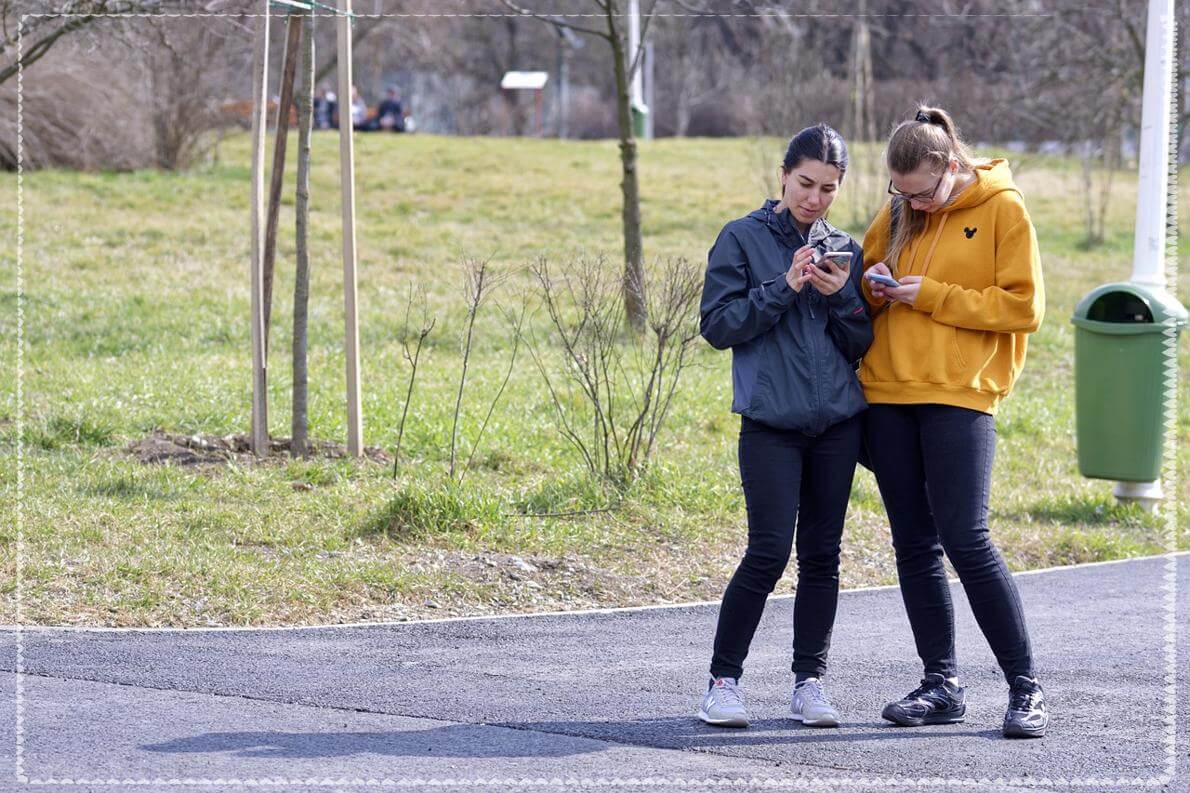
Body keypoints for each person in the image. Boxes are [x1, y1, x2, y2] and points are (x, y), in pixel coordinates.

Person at [858, 106, 1048, 739]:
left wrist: (931, 295)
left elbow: (1024, 307)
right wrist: (871, 285)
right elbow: (863, 282)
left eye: (919, 191)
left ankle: (1025, 688)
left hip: (962, 394)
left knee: (967, 539)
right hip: (888, 394)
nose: (910, 202)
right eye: (899, 191)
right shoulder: (898, 212)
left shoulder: (1002, 209)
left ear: (950, 166)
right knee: (913, 544)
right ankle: (941, 684)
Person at [697, 124, 872, 729]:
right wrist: (785, 285)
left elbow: (861, 339)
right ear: (782, 176)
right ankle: (723, 683)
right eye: (805, 184)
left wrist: (841, 295)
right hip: (771, 424)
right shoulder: (742, 238)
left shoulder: (844, 244)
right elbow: (719, 326)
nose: (815, 199)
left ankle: (810, 683)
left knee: (823, 557)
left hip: (837, 425)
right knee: (767, 553)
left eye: (829, 188)